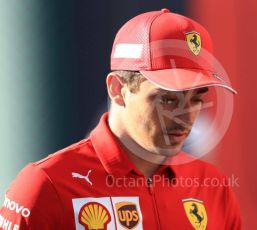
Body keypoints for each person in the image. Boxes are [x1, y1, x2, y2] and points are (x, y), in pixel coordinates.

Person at [0, 8, 242, 230]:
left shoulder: (212, 186)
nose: (185, 116)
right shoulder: (46, 185)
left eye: (196, 99)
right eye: (168, 99)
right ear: (117, 89)